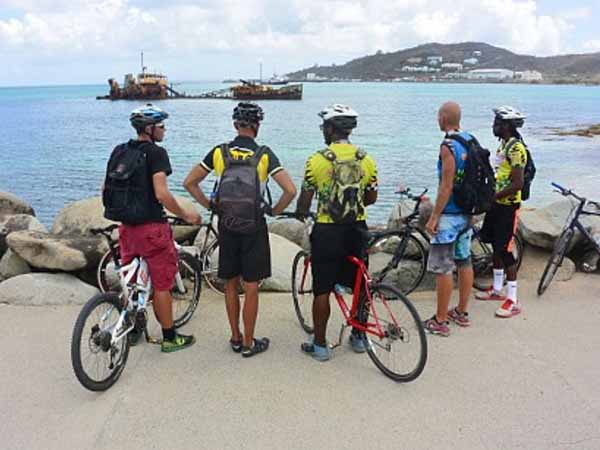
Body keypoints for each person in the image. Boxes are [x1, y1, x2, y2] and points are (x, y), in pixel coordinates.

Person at [183, 102, 296, 357]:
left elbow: (189, 182)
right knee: (252, 284)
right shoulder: (265, 154)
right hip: (254, 225)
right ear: (257, 126)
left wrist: (210, 204)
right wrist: (275, 211)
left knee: (230, 282)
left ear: (235, 125)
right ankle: (248, 343)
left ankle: (234, 337)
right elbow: (290, 190)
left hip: (227, 224)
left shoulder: (219, 152)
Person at [103, 104, 202, 352]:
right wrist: (185, 214)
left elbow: (105, 190)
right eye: (161, 126)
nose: (164, 130)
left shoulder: (119, 151)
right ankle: (169, 337)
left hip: (127, 228)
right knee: (161, 284)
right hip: (152, 229)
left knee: (134, 280)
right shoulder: (156, 153)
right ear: (149, 129)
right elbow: (161, 193)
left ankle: (133, 329)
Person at [296, 104, 378, 361]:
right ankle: (359, 336)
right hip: (357, 230)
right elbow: (372, 197)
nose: (323, 130)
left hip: (327, 231)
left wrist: (301, 213)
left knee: (322, 289)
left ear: (331, 129)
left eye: (324, 126)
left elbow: (305, 201)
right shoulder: (367, 159)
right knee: (360, 284)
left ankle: (320, 346)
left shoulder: (316, 160)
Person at [424, 101, 474, 337]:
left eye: (438, 115)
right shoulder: (470, 139)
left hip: (450, 215)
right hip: (467, 213)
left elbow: (446, 186)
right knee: (464, 261)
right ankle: (461, 312)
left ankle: (440, 319)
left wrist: (435, 216)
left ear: (444, 118)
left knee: (443, 267)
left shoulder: (448, 146)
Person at [475, 106, 528, 318]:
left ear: (507, 126)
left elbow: (518, 183)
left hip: (508, 206)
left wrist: (494, 197)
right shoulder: (504, 145)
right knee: (495, 246)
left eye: (497, 123)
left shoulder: (516, 149)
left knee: (505, 251)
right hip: (497, 205)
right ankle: (497, 289)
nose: (493, 126)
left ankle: (512, 299)